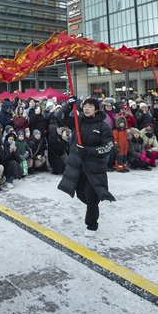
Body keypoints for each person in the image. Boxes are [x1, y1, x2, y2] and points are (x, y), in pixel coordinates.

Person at [57, 97, 115, 237]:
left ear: (96, 109)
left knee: (90, 194)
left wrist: (88, 150)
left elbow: (108, 147)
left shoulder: (103, 126)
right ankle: (93, 204)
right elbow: (61, 118)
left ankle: (91, 225)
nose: (87, 109)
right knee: (81, 194)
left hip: (94, 168)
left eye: (90, 106)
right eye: (85, 106)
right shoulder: (78, 121)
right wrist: (68, 106)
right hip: (78, 166)